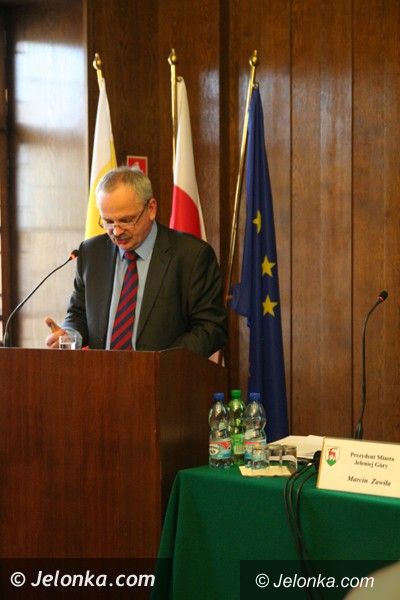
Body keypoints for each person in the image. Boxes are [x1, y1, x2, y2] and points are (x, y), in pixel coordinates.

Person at [45, 166, 227, 357]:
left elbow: (211, 328)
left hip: (165, 374)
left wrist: (163, 363)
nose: (116, 232)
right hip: (102, 373)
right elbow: (79, 313)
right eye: (108, 221)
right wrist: (70, 336)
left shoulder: (191, 255)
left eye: (126, 220)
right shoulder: (92, 253)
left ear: (151, 209)